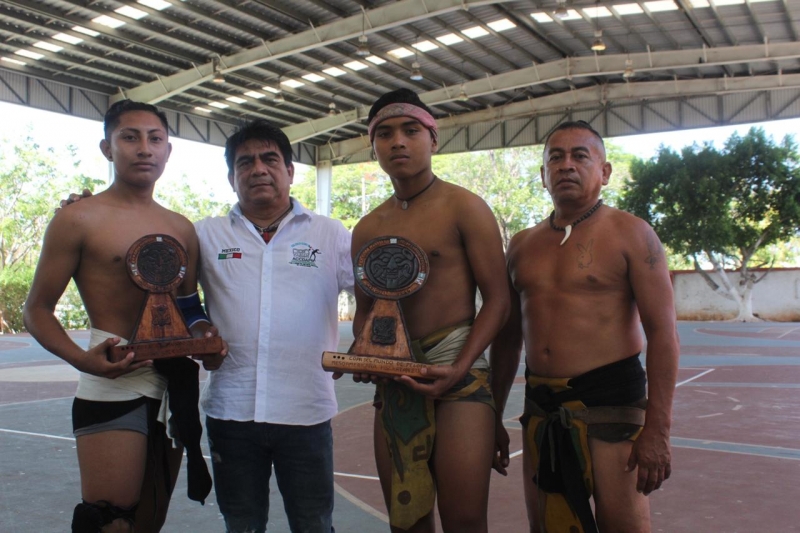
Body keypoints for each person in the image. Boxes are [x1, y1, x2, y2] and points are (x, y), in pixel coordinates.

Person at [24, 100, 226, 533]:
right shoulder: (78, 218)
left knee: (149, 520)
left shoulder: (181, 227)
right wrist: (82, 359)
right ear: (107, 148)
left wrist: (204, 334)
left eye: (155, 139)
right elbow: (36, 309)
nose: (144, 148)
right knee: (109, 518)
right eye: (130, 137)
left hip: (172, 381)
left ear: (168, 151)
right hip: (110, 379)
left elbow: (188, 306)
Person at [490, 120, 679, 533]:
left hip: (612, 405)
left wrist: (658, 429)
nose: (566, 165)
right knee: (548, 527)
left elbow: (664, 334)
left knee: (624, 526)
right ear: (543, 175)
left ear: (604, 171)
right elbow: (507, 343)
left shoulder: (632, 233)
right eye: (555, 158)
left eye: (580, 156)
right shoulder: (521, 245)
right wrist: (493, 418)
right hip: (542, 408)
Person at [344, 88, 510, 532]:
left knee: (465, 520)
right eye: (384, 133)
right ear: (373, 146)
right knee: (407, 521)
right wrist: (366, 351)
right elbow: (365, 310)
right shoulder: (366, 227)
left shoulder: (465, 207)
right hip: (396, 382)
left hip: (460, 379)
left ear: (433, 139)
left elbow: (499, 301)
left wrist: (459, 366)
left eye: (410, 130)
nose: (397, 141)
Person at [195, 119, 354, 533]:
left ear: (290, 171)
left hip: (306, 409)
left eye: (269, 159)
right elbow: (168, 286)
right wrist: (196, 326)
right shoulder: (206, 235)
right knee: (241, 525)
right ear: (231, 177)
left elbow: (378, 288)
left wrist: (369, 342)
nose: (258, 169)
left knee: (313, 524)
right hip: (231, 410)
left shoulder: (331, 234)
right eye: (245, 162)